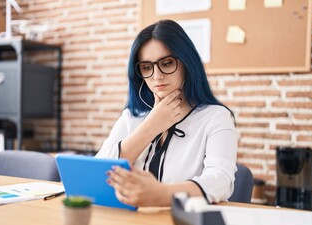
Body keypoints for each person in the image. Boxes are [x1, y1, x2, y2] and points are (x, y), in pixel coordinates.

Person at [95, 19, 237, 207]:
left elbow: (220, 181)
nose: (157, 76)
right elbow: (97, 175)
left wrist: (161, 194)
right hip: (131, 223)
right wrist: (152, 125)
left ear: (187, 63)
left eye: (167, 63)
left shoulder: (216, 117)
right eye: (146, 67)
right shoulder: (132, 117)